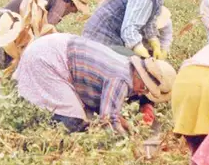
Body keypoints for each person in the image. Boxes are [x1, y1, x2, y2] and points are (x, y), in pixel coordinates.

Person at [13, 33, 176, 134]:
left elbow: (109, 110)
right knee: (73, 122)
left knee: (83, 117)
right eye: (145, 87)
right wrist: (128, 141)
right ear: (140, 76)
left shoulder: (125, 63)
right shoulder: (122, 80)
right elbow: (107, 121)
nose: (141, 93)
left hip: (55, 46)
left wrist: (126, 125)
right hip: (50, 58)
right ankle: (35, 135)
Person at [2, 0, 91, 26]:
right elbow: (47, 29)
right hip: (9, 20)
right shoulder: (59, 4)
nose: (74, 12)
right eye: (76, 9)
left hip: (9, 16)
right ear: (72, 3)